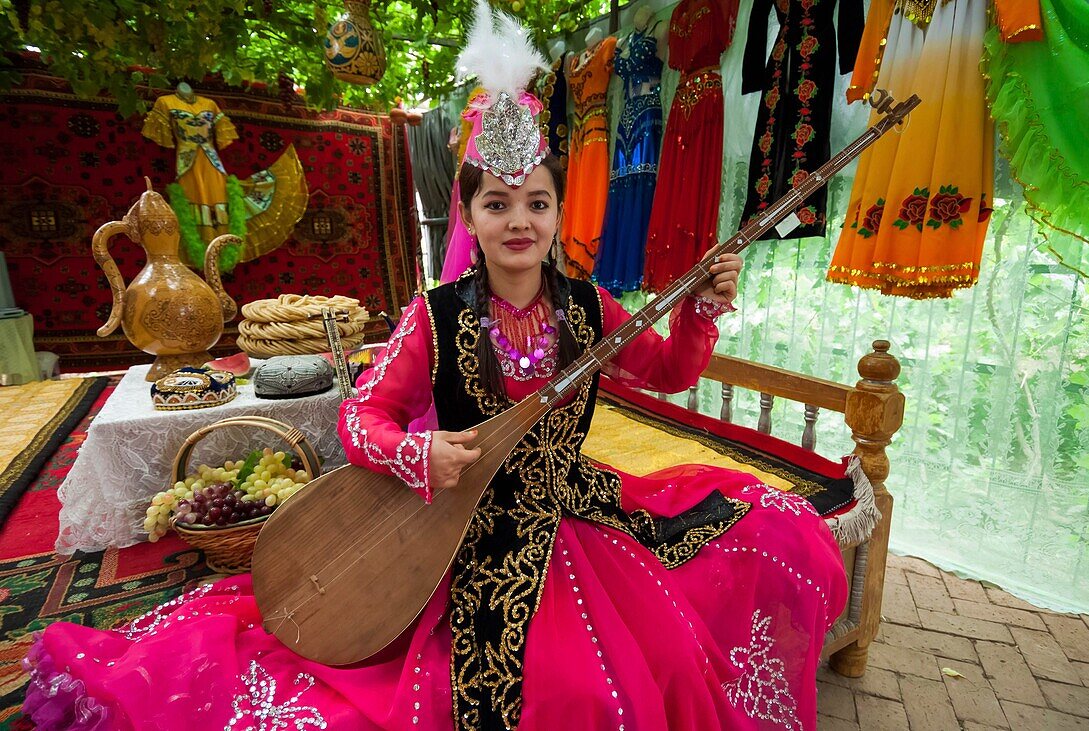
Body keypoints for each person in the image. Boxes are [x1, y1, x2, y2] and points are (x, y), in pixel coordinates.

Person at [21, 4, 846, 730]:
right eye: (497, 203)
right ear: (471, 214)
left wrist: (701, 308)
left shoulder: (593, 307)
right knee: (555, 689)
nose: (518, 221)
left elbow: (665, 374)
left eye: (536, 202)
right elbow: (359, 419)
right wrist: (416, 453)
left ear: (559, 211)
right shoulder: (436, 315)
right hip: (469, 526)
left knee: (723, 579)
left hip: (582, 507)